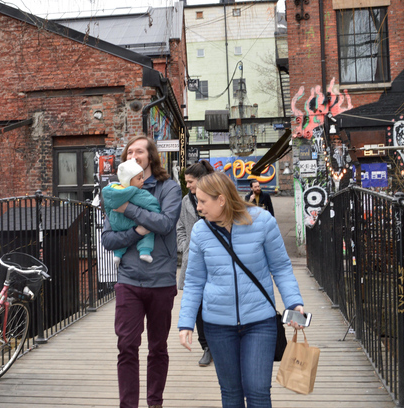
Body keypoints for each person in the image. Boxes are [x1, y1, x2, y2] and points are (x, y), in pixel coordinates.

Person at [178, 172, 305, 408]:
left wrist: (294, 303)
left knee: (258, 391)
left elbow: (281, 268)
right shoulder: (200, 231)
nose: (199, 207)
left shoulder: (263, 221)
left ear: (222, 200)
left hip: (260, 321)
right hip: (217, 325)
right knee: (231, 393)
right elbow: (194, 281)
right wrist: (186, 323)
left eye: (203, 201)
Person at [101, 135, 182, 408]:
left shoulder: (169, 188)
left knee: (158, 347)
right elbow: (108, 240)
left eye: (139, 151)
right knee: (126, 346)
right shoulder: (114, 190)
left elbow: (165, 224)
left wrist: (128, 208)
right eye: (129, 152)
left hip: (160, 280)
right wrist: (136, 231)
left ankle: (155, 402)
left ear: (151, 157)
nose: (133, 155)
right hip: (128, 280)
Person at [176, 159, 214, 367]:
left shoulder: (216, 198)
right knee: (197, 304)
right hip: (193, 259)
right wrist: (185, 246)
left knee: (213, 301)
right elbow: (180, 226)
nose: (188, 185)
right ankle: (206, 346)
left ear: (201, 179)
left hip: (216, 259)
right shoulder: (185, 201)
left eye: (190, 181)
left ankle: (219, 343)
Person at [103, 159, 161, 265]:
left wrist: (111, 216)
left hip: (116, 222)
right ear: (128, 181)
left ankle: (117, 254)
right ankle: (144, 251)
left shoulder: (111, 190)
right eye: (139, 178)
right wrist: (156, 210)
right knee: (148, 230)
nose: (142, 180)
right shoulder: (135, 192)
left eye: (142, 177)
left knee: (118, 235)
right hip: (131, 222)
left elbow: (107, 207)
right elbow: (150, 203)